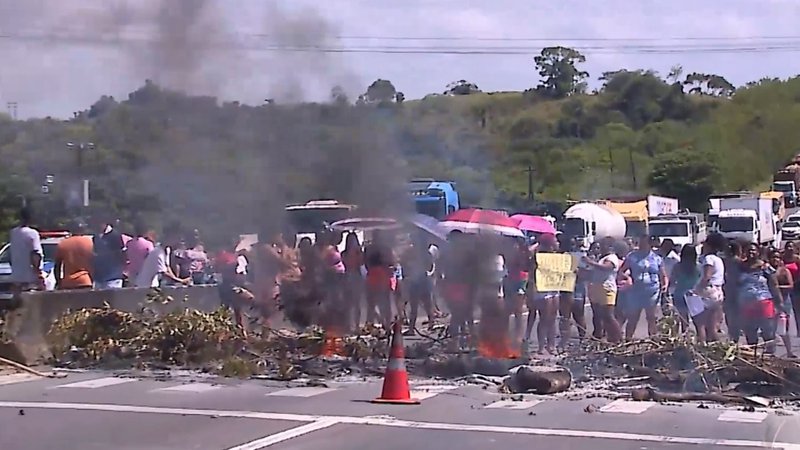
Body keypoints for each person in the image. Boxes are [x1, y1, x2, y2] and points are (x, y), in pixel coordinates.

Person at [737, 242, 782, 354]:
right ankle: (753, 357)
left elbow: (774, 284)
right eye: (748, 250)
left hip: (764, 302)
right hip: (746, 304)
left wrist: (779, 301)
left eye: (753, 250)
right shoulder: (740, 267)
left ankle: (771, 356)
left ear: (758, 252)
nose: (751, 252)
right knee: (750, 332)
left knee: (767, 332)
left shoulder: (765, 267)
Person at [620, 235, 667, 339]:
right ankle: (628, 339)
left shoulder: (656, 258)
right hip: (636, 290)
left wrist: (664, 285)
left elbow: (663, 275)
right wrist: (627, 278)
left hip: (652, 291)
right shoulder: (632, 256)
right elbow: (621, 271)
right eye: (641, 242)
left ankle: (653, 340)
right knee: (633, 317)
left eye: (645, 242)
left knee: (651, 317)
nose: (642, 245)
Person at [525, 233, 560, 354]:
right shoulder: (537, 257)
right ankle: (541, 346)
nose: (557, 243)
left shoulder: (557, 257)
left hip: (554, 288)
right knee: (544, 318)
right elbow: (531, 272)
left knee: (552, 318)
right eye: (555, 241)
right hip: (542, 289)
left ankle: (551, 345)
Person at [584, 237, 623, 343]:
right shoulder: (601, 257)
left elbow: (607, 267)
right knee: (599, 315)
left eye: (603, 245)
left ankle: (619, 337)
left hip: (607, 288)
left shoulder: (612, 257)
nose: (601, 247)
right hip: (597, 287)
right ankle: (604, 336)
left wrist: (591, 262)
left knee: (608, 315)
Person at [694, 233, 727, 343]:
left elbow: (707, 276)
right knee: (712, 323)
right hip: (718, 291)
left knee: (701, 323)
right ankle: (715, 345)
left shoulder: (709, 259)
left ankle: (703, 345)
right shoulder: (719, 259)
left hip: (708, 291)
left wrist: (697, 289)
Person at [8, 207, 44, 295]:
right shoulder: (32, 233)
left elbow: (11, 254)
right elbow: (35, 254)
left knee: (18, 305)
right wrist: (38, 273)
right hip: (30, 278)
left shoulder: (13, 233)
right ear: (31, 217)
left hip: (16, 277)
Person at [769, 249, 795, 357]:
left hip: (785, 301)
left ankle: (789, 351)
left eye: (778, 257)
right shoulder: (767, 270)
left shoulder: (785, 271)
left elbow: (791, 285)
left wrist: (778, 287)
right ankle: (771, 351)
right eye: (773, 257)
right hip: (771, 301)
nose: (776, 259)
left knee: (785, 328)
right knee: (770, 328)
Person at [91, 214, 127, 289]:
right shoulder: (96, 237)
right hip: (99, 278)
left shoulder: (115, 236)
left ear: (105, 223)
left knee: (111, 300)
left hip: (113, 278)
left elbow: (122, 255)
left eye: (98, 223)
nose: (96, 226)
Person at [669, 244, 700, 331]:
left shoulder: (678, 266)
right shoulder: (698, 267)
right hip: (694, 295)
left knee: (683, 320)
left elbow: (672, 280)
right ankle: (701, 340)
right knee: (698, 322)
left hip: (680, 294)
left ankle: (685, 338)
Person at [54, 223, 93, 290]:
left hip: (68, 283)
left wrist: (58, 282)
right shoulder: (89, 242)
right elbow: (94, 263)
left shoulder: (63, 243)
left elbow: (57, 266)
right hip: (85, 281)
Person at [342, 232, 365, 330]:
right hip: (348, 276)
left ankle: (356, 325)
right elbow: (344, 263)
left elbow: (361, 263)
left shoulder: (358, 253)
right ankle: (348, 324)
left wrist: (359, 253)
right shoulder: (344, 253)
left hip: (356, 276)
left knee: (356, 303)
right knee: (348, 303)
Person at [784, 242, 800, 337]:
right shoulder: (782, 259)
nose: (790, 248)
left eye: (791, 246)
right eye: (788, 247)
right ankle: (784, 332)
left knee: (797, 311)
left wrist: (794, 282)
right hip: (784, 287)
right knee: (785, 311)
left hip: (797, 287)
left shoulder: (797, 259)